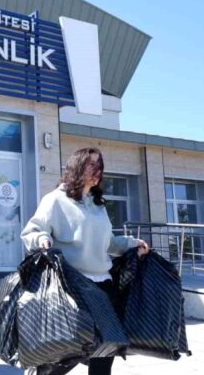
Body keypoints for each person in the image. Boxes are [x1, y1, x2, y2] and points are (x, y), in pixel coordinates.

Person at [21, 147, 149, 375]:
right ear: (76, 166)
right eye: (91, 164)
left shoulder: (98, 205)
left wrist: (132, 244)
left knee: (105, 350)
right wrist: (42, 238)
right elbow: (31, 232)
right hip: (72, 287)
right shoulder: (55, 200)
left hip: (103, 286)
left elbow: (107, 243)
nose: (97, 169)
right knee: (67, 352)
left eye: (99, 164)